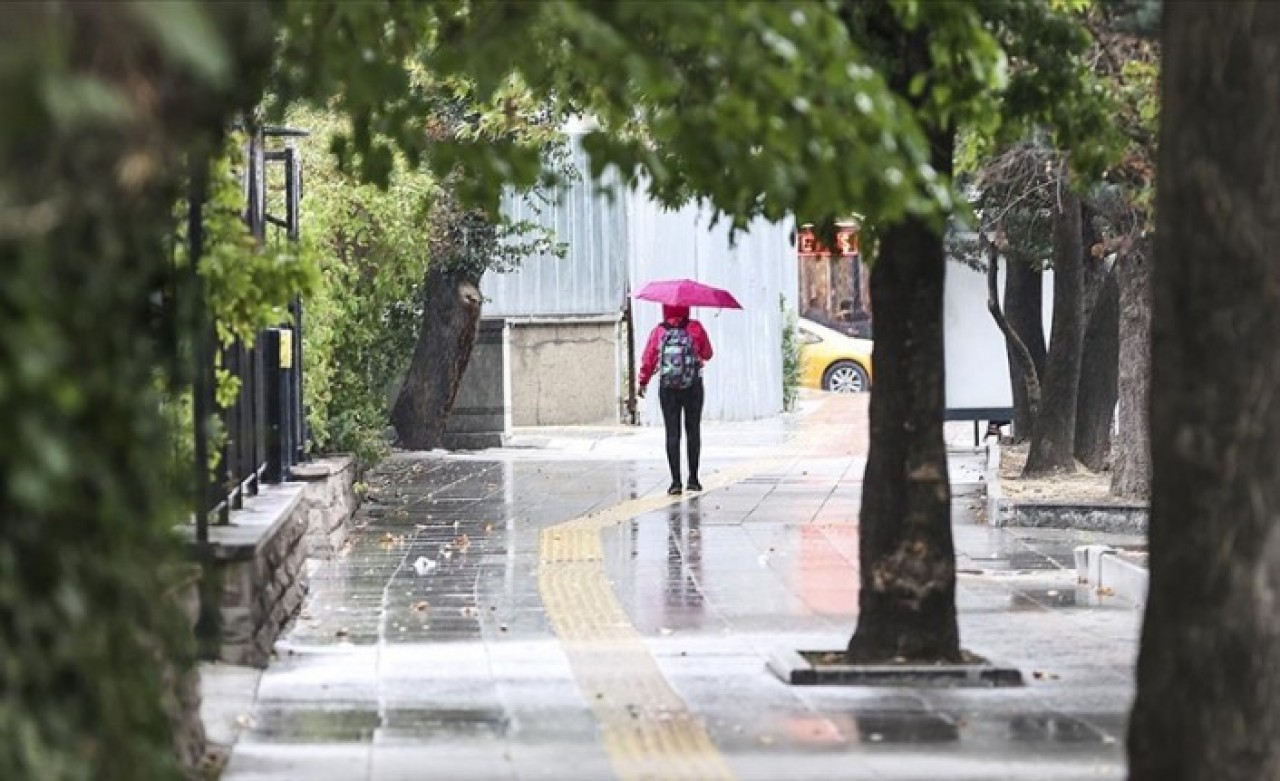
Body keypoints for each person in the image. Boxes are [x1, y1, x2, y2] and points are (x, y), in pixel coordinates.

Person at [637, 304, 713, 495]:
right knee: (693, 430)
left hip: (668, 388)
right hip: (693, 385)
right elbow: (708, 354)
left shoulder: (659, 331)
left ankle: (675, 482)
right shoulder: (695, 328)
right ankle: (693, 479)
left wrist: (643, 381)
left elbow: (648, 359)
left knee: (672, 433)